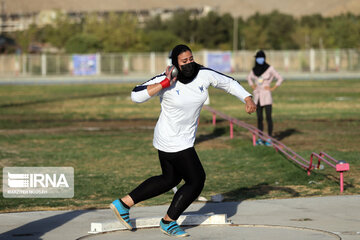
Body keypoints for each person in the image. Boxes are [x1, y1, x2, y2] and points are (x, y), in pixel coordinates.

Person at [110, 44, 256, 237]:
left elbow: (228, 83)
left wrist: (247, 98)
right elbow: (136, 95)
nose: (189, 64)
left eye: (191, 59)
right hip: (171, 139)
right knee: (196, 181)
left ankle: (122, 204)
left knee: (169, 179)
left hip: (181, 138)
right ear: (175, 63)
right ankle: (168, 221)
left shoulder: (204, 74)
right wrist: (164, 84)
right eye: (184, 61)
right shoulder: (167, 79)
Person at [247, 50, 284, 146]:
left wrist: (272, 88)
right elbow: (249, 78)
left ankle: (270, 138)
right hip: (257, 97)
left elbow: (280, 78)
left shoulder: (270, 68)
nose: (260, 59)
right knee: (259, 118)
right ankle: (260, 138)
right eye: (258, 58)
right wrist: (252, 86)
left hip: (266, 96)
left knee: (268, 118)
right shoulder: (254, 69)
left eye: (261, 57)